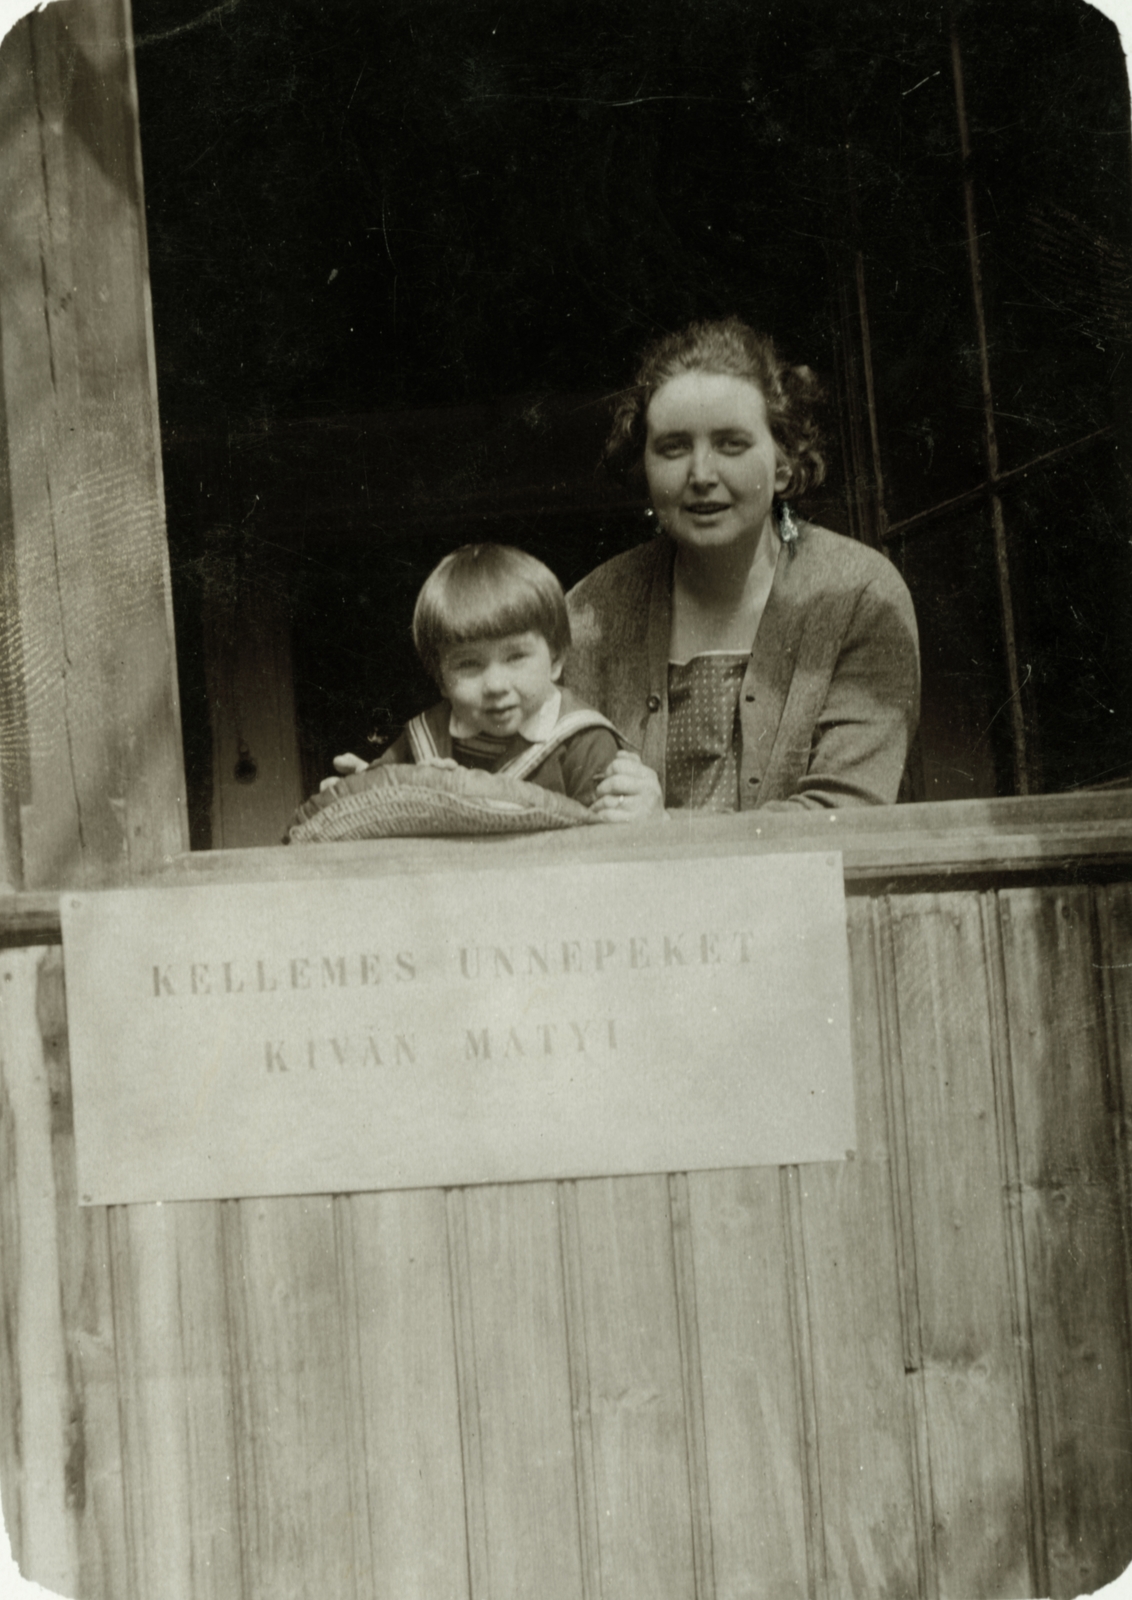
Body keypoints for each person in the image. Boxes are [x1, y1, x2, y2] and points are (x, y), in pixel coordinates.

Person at [567, 317, 920, 821]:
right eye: (673, 448)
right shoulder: (589, 612)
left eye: (731, 444)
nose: (702, 475)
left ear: (783, 463)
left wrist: (667, 829)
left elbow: (846, 815)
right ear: (643, 464)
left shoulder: (859, 594)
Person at [328, 543, 629, 809]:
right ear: (441, 678)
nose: (495, 686)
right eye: (469, 664)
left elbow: (607, 849)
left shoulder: (585, 742)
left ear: (555, 660)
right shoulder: (427, 736)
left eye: (515, 657)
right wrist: (364, 788)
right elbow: (384, 789)